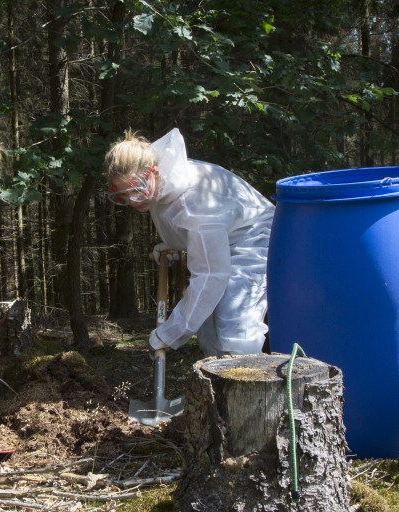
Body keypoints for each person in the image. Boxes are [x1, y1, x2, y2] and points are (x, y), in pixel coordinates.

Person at [105, 128, 273, 359]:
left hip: (254, 239)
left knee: (234, 321)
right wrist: (173, 243)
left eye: (137, 191)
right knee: (208, 326)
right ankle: (216, 388)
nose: (133, 200)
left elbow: (210, 275)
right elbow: (180, 222)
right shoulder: (162, 183)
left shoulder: (195, 200)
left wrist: (169, 334)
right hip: (225, 237)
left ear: (153, 171)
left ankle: (248, 384)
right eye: (124, 196)